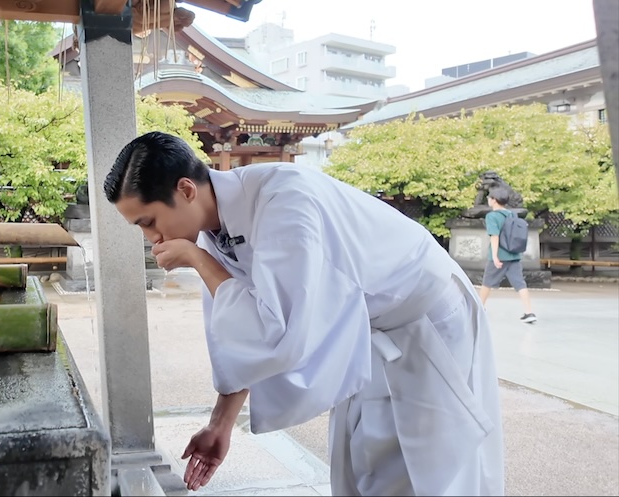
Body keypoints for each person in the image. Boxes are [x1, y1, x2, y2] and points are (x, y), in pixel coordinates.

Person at [103, 132, 504, 496]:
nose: (151, 238)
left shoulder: (283, 200)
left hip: (427, 323)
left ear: (186, 189)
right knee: (361, 466)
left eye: (149, 222)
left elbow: (278, 333)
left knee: (427, 472)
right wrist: (220, 423)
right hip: (369, 330)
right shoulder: (214, 227)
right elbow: (238, 328)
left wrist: (197, 259)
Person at [478, 188, 536, 323]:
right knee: (520, 284)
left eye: (489, 198)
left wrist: (495, 256)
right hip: (514, 255)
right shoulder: (511, 215)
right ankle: (529, 312)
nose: (488, 200)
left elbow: (494, 236)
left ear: (494, 200)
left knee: (487, 283)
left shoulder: (492, 216)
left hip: (499, 255)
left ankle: (479, 308)